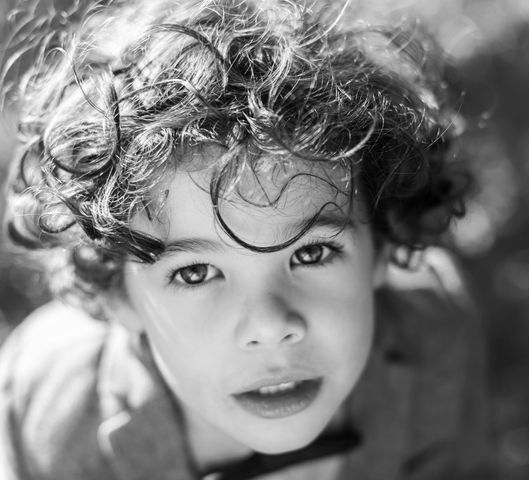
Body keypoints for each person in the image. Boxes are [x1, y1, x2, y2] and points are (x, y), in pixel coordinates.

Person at [0, 0, 492, 478]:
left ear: (383, 246)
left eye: (312, 252)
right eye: (195, 272)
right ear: (116, 293)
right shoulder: (50, 416)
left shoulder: (437, 341)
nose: (269, 325)